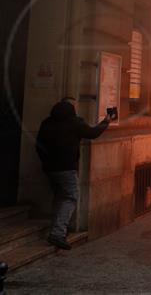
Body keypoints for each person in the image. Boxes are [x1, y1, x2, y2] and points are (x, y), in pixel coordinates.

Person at [37, 98, 110, 249]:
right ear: (71, 109)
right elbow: (92, 133)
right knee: (70, 198)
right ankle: (57, 233)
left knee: (59, 197)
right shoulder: (74, 122)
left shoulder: (46, 122)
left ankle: (57, 229)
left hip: (50, 168)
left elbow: (38, 145)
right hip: (66, 168)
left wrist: (46, 161)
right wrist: (106, 121)